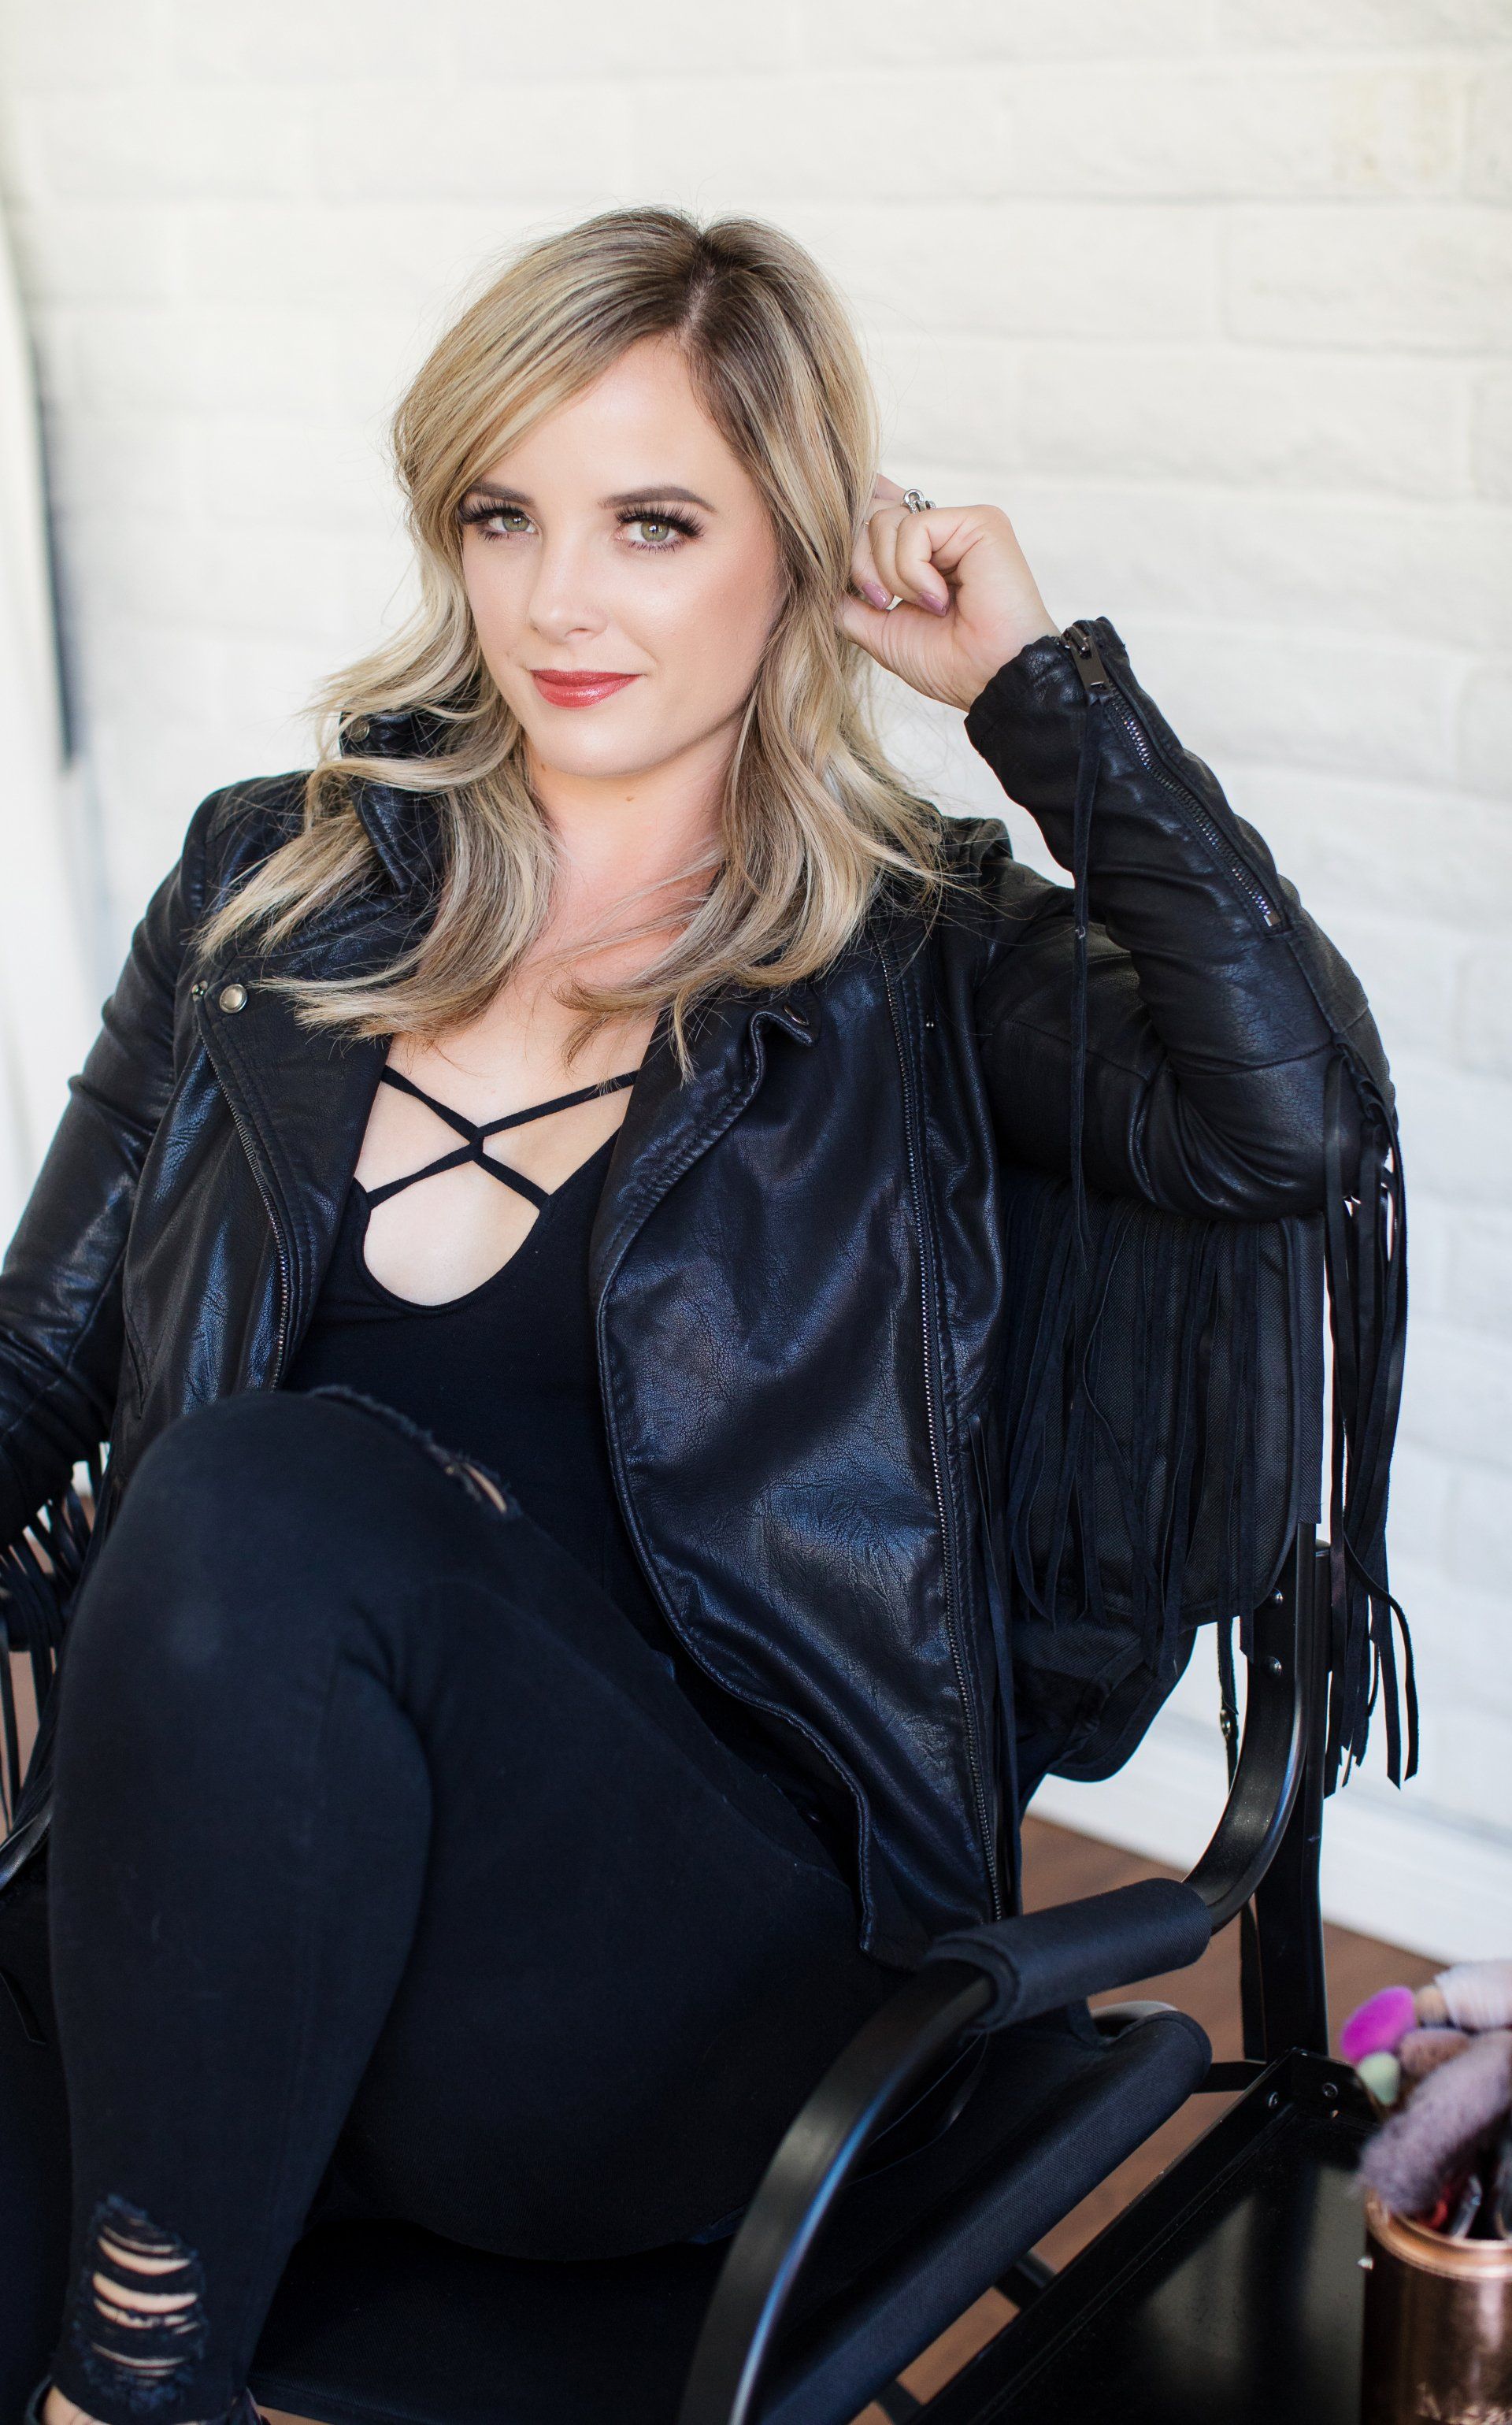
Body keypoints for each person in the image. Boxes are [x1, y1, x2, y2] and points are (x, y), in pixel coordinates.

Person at [0, 205, 1393, 2425]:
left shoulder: (922, 966)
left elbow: (1295, 1123)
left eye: (654, 522)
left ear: (804, 548)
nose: (562, 599)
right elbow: (33, 1369)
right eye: (504, 513)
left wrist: (1048, 698)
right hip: (251, 1921)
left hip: (695, 1994)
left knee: (266, 1496)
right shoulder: (262, 887)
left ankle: (130, 2395)